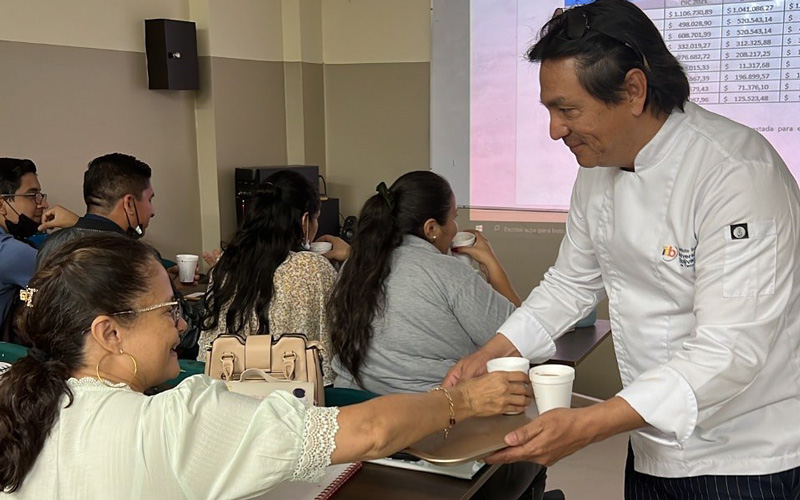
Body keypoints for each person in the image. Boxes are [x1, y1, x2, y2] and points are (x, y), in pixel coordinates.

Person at [444, 1, 800, 497]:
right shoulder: (598, 171)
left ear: (633, 90)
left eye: (568, 110)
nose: (555, 130)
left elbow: (730, 349)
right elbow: (570, 285)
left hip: (744, 454)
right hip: (650, 438)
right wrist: (492, 352)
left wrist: (589, 424)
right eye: (549, 111)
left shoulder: (736, 174)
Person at [0, 233, 530, 499]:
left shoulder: (24, 407)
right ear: (109, 333)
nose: (182, 325)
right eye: (169, 310)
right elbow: (369, 431)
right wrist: (462, 400)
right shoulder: (174, 423)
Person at [329, 171, 520, 394]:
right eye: (454, 218)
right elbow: (520, 338)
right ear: (431, 229)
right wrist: (491, 262)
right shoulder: (450, 273)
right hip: (430, 408)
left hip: (352, 403)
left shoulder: (354, 265)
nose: (456, 227)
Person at [199, 170, 349, 385]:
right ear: (304, 221)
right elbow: (345, 330)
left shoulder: (225, 265)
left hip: (228, 388)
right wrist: (350, 259)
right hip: (297, 392)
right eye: (316, 218)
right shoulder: (313, 268)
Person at [0, 158, 77, 341]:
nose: (43, 204)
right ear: (2, 205)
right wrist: (78, 225)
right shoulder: (9, 253)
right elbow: (84, 281)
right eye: (32, 195)